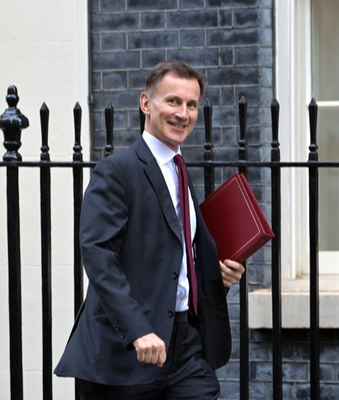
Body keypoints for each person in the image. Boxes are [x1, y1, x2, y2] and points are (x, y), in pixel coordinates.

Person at [55, 60, 245, 400]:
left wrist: (215, 275)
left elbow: (172, 255)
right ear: (146, 103)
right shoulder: (116, 171)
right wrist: (138, 330)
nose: (183, 113)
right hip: (126, 355)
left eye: (190, 104)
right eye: (172, 101)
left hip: (186, 349)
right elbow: (98, 255)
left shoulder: (181, 173)